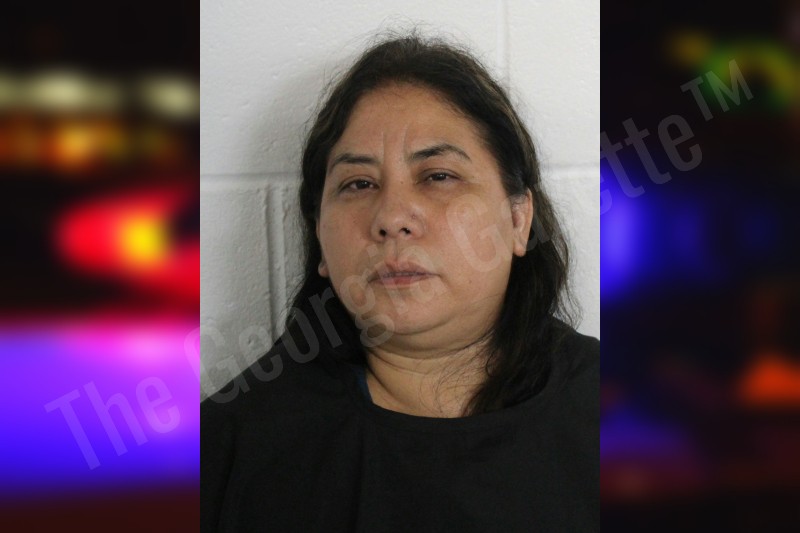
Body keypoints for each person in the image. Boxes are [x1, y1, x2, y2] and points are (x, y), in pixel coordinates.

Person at [201, 33, 598, 532]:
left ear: (519, 220)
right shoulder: (228, 451)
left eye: (438, 176)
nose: (391, 217)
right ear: (319, 237)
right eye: (358, 184)